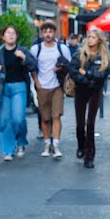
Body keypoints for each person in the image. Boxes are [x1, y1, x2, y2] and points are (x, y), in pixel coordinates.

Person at [0, 25, 37, 162]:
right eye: (8, 33)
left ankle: (21, 142)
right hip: (3, 89)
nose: (11, 35)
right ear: (3, 36)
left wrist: (24, 57)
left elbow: (34, 66)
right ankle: (7, 149)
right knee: (4, 120)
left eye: (13, 33)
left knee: (18, 118)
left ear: (16, 36)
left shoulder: (22, 50)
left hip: (19, 87)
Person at [68, 28, 110, 168]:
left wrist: (86, 73)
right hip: (81, 90)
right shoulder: (79, 53)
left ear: (99, 39)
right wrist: (87, 79)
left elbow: (102, 76)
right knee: (80, 124)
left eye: (93, 37)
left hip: (95, 91)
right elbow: (73, 71)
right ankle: (81, 145)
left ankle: (89, 156)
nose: (90, 39)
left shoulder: (104, 56)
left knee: (90, 124)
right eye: (89, 37)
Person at [31, 20, 71, 159]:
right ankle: (47, 144)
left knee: (56, 116)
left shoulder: (62, 49)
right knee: (45, 118)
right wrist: (37, 84)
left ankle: (56, 145)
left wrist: (61, 68)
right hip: (42, 87)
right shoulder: (36, 49)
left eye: (50, 31)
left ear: (54, 33)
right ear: (42, 33)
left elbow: (69, 66)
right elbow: (32, 67)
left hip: (57, 87)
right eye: (45, 31)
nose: (48, 34)